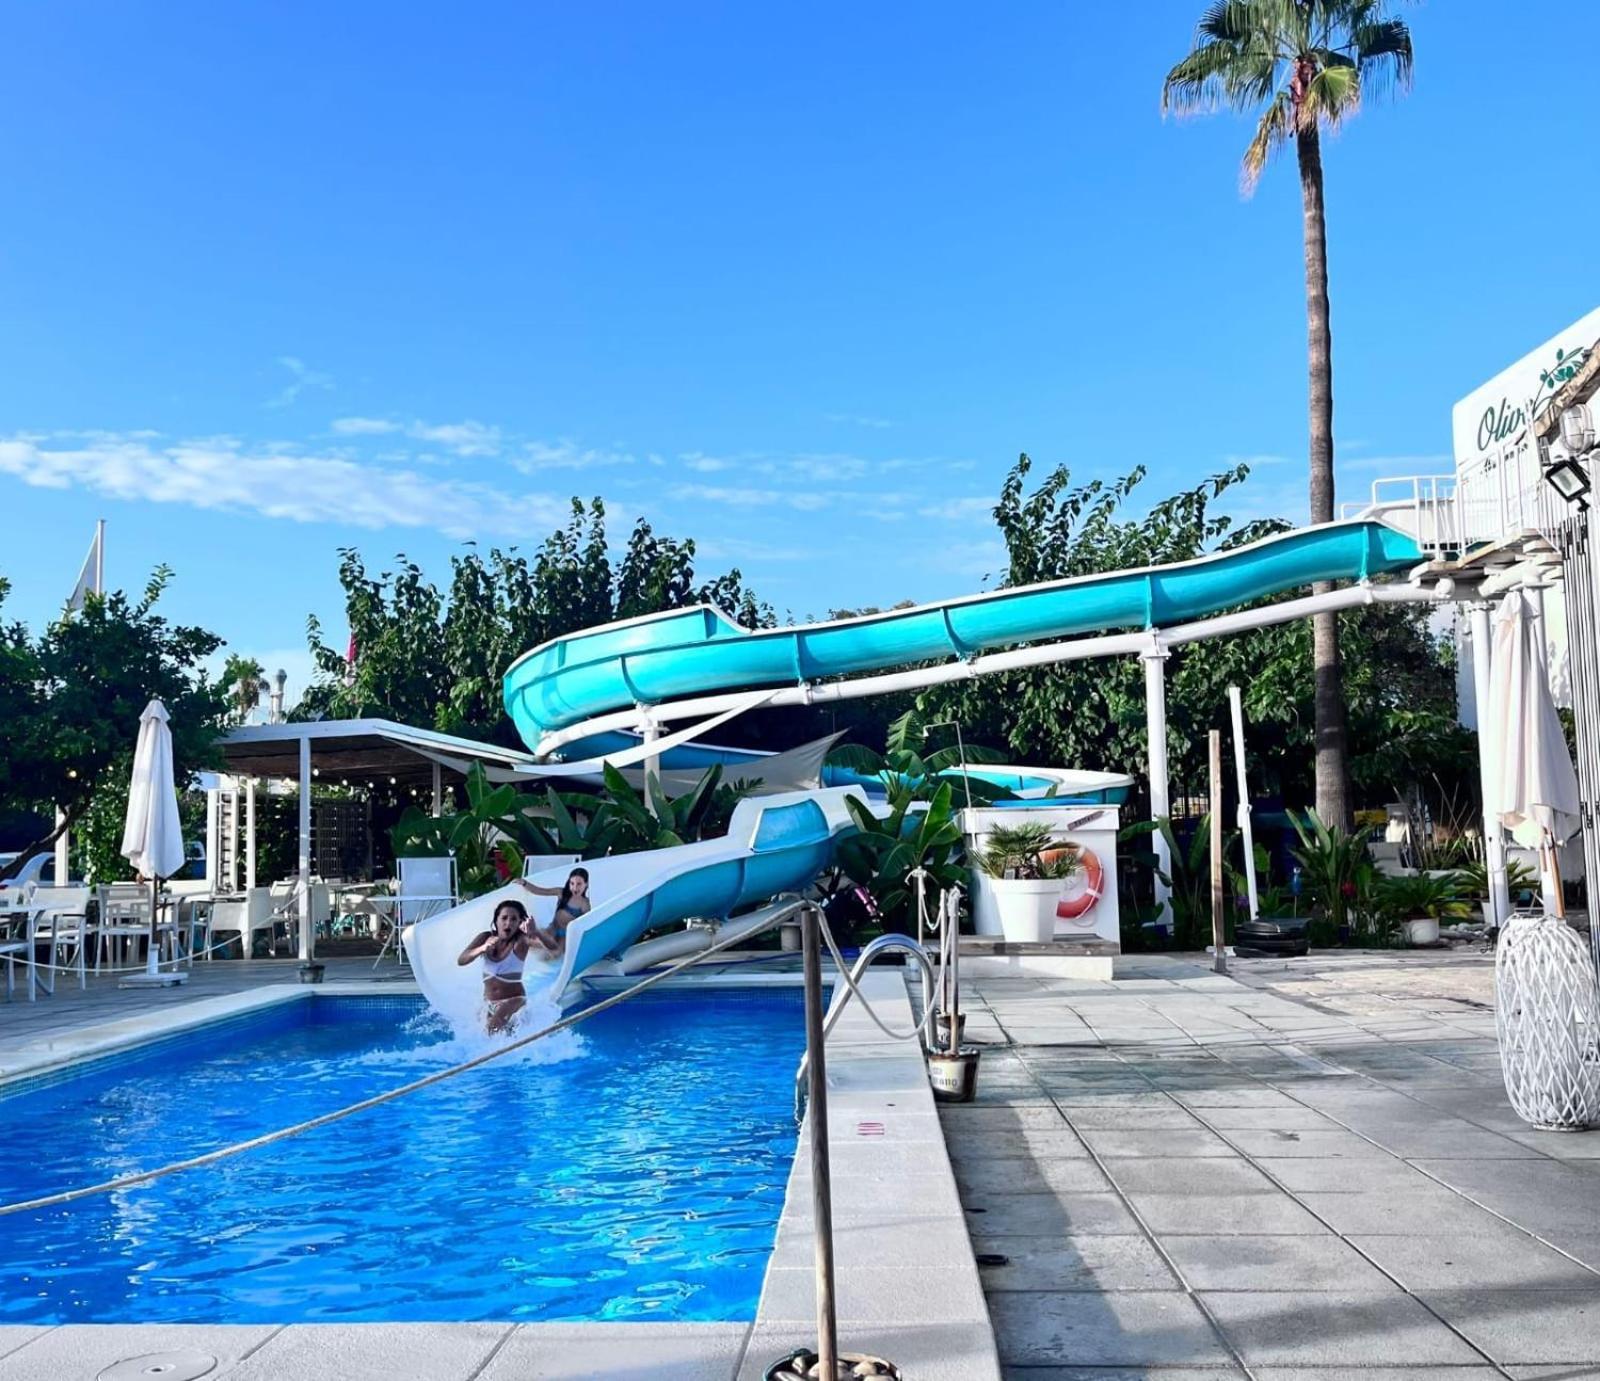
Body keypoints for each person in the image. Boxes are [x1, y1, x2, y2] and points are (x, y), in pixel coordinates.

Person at [457, 898, 539, 1034]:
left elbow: (547, 948)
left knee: (490, 1031)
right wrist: (482, 948)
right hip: (489, 1003)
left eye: (514, 919)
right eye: (504, 918)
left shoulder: (521, 940)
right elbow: (461, 960)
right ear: (496, 921)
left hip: (513, 1001)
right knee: (488, 1036)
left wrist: (534, 933)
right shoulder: (485, 937)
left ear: (520, 923)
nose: (508, 923)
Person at [516, 867, 591, 960]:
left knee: (555, 954)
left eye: (579, 884)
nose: (575, 887)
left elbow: (585, 926)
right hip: (552, 929)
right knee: (531, 943)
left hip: (565, 936)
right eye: (572, 883)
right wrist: (524, 883)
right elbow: (540, 891)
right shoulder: (562, 893)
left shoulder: (585, 904)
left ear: (586, 884)